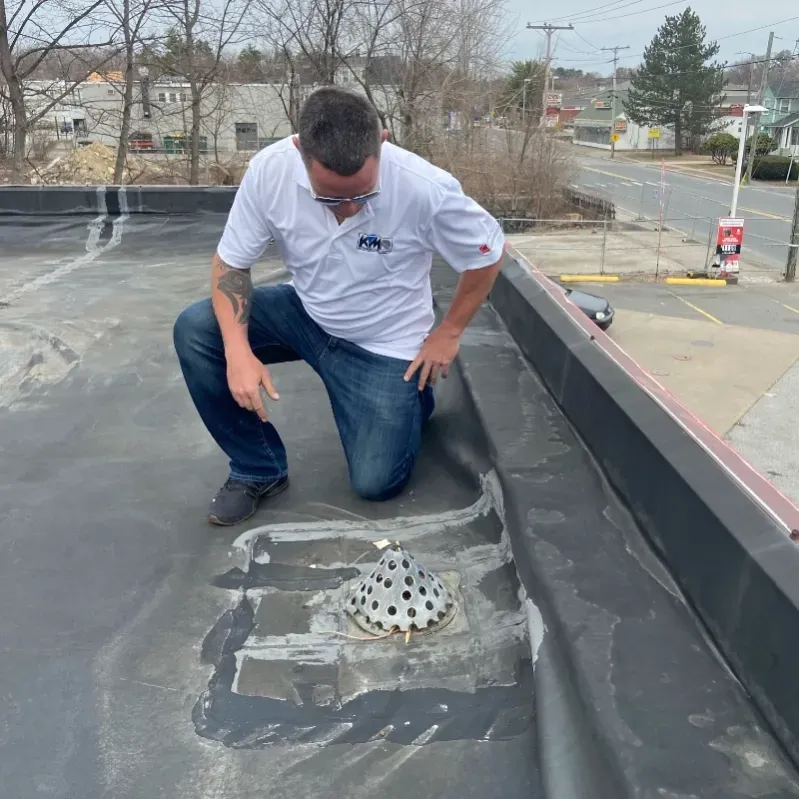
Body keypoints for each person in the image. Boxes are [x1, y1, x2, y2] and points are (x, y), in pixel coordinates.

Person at [173, 86, 505, 526]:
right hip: (306, 314)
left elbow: (485, 254)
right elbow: (231, 265)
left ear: (382, 142)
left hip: (384, 341)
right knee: (198, 329)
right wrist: (237, 352)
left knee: (376, 483)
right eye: (329, 198)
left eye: (363, 196)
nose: (348, 209)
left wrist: (449, 332)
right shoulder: (269, 171)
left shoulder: (426, 189)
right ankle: (258, 468)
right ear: (300, 151)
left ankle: (412, 400)